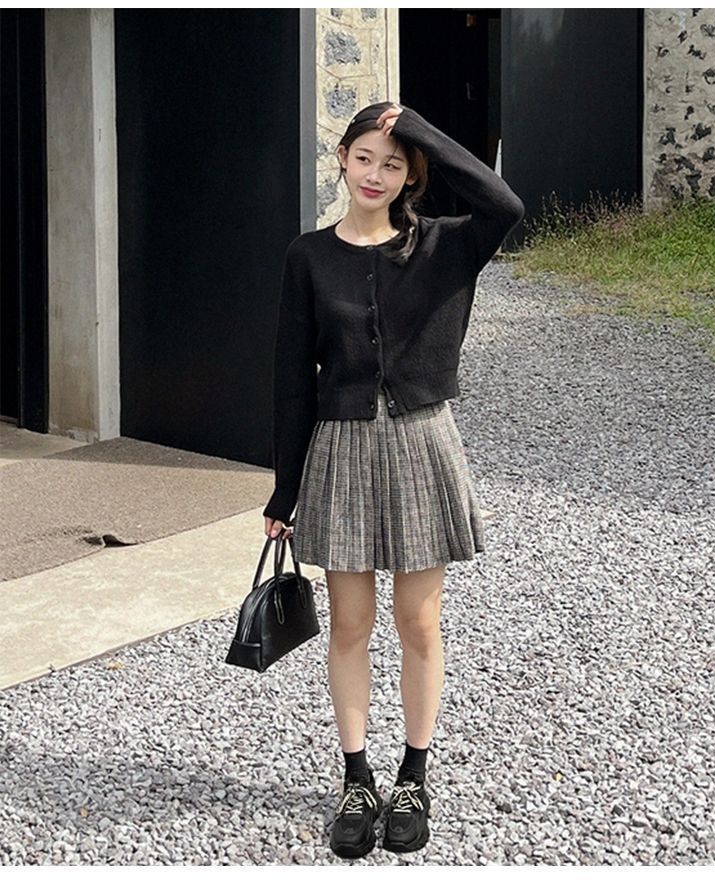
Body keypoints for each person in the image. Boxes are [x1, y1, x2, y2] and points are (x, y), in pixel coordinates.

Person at [263, 101, 525, 859]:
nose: (375, 174)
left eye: (394, 163)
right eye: (364, 157)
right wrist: (285, 489)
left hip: (421, 442)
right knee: (350, 624)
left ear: (412, 174)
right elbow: (292, 380)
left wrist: (413, 126)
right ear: (342, 160)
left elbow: (505, 203)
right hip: (341, 447)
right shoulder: (308, 256)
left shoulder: (444, 246)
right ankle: (356, 777)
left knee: (419, 622)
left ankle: (414, 774)